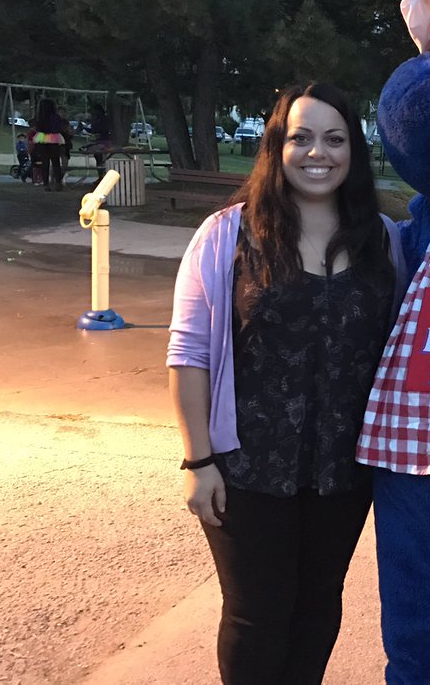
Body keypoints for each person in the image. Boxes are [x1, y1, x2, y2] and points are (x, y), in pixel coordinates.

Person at [167, 82, 402, 685]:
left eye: (334, 138)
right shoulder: (227, 236)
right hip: (244, 470)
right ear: (277, 146)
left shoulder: (384, 240)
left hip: (343, 474)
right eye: (301, 137)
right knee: (256, 614)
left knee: (319, 604)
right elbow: (188, 353)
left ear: (354, 150)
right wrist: (199, 463)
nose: (317, 152)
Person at [30, 99, 69, 191]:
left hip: (42, 138)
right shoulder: (55, 117)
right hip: (54, 138)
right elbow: (59, 128)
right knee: (56, 162)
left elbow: (34, 125)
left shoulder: (40, 117)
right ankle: (58, 183)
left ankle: (46, 184)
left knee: (45, 163)